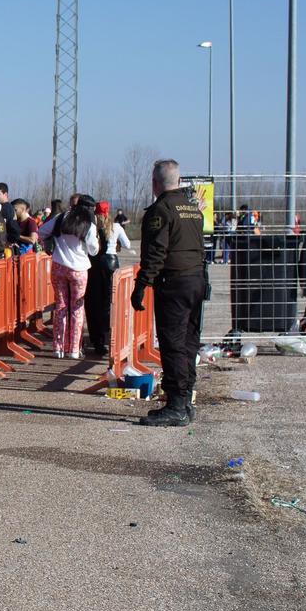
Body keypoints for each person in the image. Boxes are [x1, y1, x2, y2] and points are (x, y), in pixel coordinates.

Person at [133, 159, 208, 427]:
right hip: (196, 281)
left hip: (174, 283)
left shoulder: (161, 210)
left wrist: (142, 284)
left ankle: (176, 405)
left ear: (155, 184)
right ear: (179, 180)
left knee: (173, 344)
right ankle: (184, 400)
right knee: (188, 343)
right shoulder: (193, 210)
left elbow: (156, 253)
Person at [40, 196, 101, 359]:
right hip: (79, 269)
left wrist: (51, 243)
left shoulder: (62, 217)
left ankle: (57, 348)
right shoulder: (89, 224)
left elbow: (42, 231)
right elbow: (94, 250)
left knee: (60, 306)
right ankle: (74, 349)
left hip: (58, 266)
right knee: (77, 308)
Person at [84, 202, 121, 358]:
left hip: (92, 269)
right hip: (108, 268)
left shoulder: (90, 227)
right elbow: (125, 244)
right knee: (107, 305)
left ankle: (96, 340)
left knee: (92, 306)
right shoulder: (114, 227)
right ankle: (106, 338)